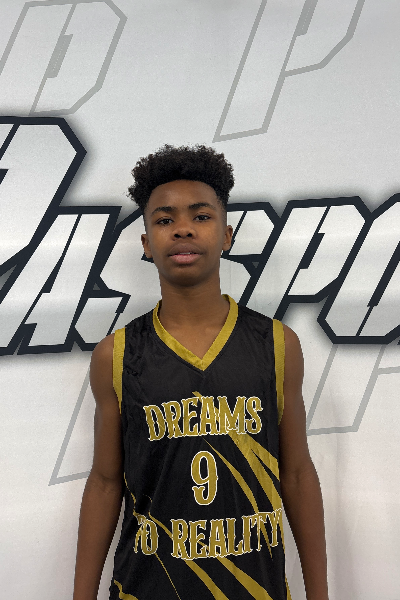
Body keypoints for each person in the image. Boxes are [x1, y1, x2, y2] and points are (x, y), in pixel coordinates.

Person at [73, 145, 329, 600]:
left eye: (201, 216)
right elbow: (106, 482)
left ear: (227, 235)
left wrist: (320, 593)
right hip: (147, 587)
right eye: (164, 220)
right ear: (147, 244)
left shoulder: (277, 344)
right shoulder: (117, 354)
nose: (183, 228)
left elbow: (296, 473)